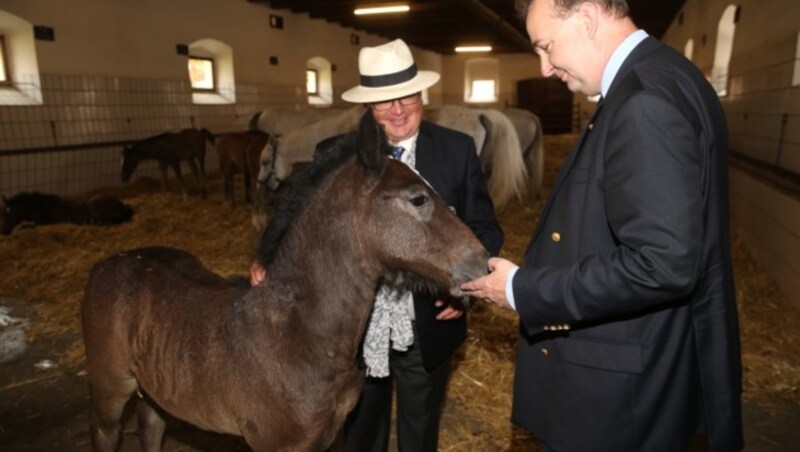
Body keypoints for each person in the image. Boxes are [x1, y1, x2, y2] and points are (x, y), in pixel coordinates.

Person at [461, 1, 743, 451]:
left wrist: (522, 290)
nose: (546, 67)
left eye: (547, 46)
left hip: (621, 396)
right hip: (655, 360)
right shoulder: (666, 75)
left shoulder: (644, 101)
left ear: (587, 17)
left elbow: (661, 264)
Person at [327, 39, 503, 452]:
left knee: (420, 429)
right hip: (357, 324)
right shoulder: (337, 157)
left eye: (406, 95)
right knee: (359, 433)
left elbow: (483, 225)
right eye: (384, 101)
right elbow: (303, 226)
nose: (398, 109)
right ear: (368, 108)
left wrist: (467, 287)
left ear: (421, 94)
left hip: (428, 319)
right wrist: (265, 258)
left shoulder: (457, 150)